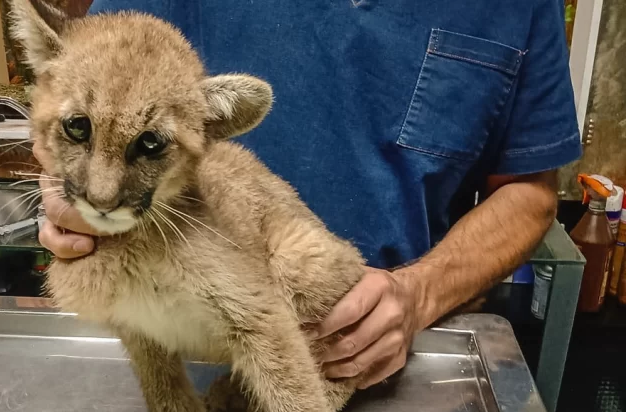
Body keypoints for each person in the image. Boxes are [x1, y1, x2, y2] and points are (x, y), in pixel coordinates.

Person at [35, 0, 581, 388]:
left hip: (374, 356)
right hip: (190, 339)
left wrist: (418, 295)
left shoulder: (521, 6)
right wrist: (69, 197)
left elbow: (530, 195)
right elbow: (80, 88)